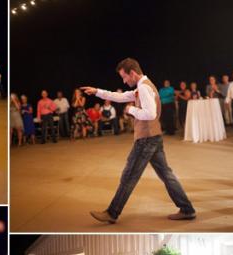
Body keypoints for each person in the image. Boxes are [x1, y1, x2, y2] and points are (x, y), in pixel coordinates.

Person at [82, 58, 196, 223]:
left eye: (124, 77)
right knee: (166, 174)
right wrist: (97, 91)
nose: (124, 80)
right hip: (154, 137)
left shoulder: (143, 88)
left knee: (128, 176)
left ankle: (112, 213)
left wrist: (131, 109)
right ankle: (187, 209)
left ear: (132, 73)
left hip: (146, 139)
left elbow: (150, 114)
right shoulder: (145, 86)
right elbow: (119, 96)